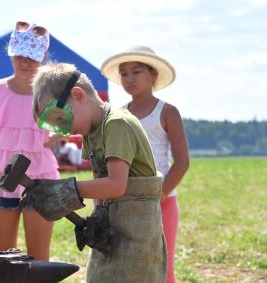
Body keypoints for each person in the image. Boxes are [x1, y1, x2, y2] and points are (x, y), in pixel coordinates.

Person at [21, 62, 167, 282]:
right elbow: (101, 182)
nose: (64, 130)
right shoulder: (91, 131)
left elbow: (116, 185)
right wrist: (97, 217)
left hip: (138, 233)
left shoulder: (117, 124)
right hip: (113, 226)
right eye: (56, 126)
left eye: (61, 119)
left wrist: (65, 189)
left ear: (78, 95)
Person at [0, 21, 59, 261]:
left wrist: (56, 135)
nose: (25, 61)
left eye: (32, 56)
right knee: (2, 257)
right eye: (20, 55)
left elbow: (72, 119)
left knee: (39, 259)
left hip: (40, 177)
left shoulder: (50, 93)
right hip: (2, 175)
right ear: (11, 53)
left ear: (43, 57)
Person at [101, 46, 189, 283]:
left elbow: (181, 162)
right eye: (124, 73)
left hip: (162, 200)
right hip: (126, 200)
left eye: (136, 72)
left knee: (161, 264)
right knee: (126, 264)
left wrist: (160, 194)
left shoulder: (168, 112)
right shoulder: (118, 116)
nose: (129, 78)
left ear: (153, 75)